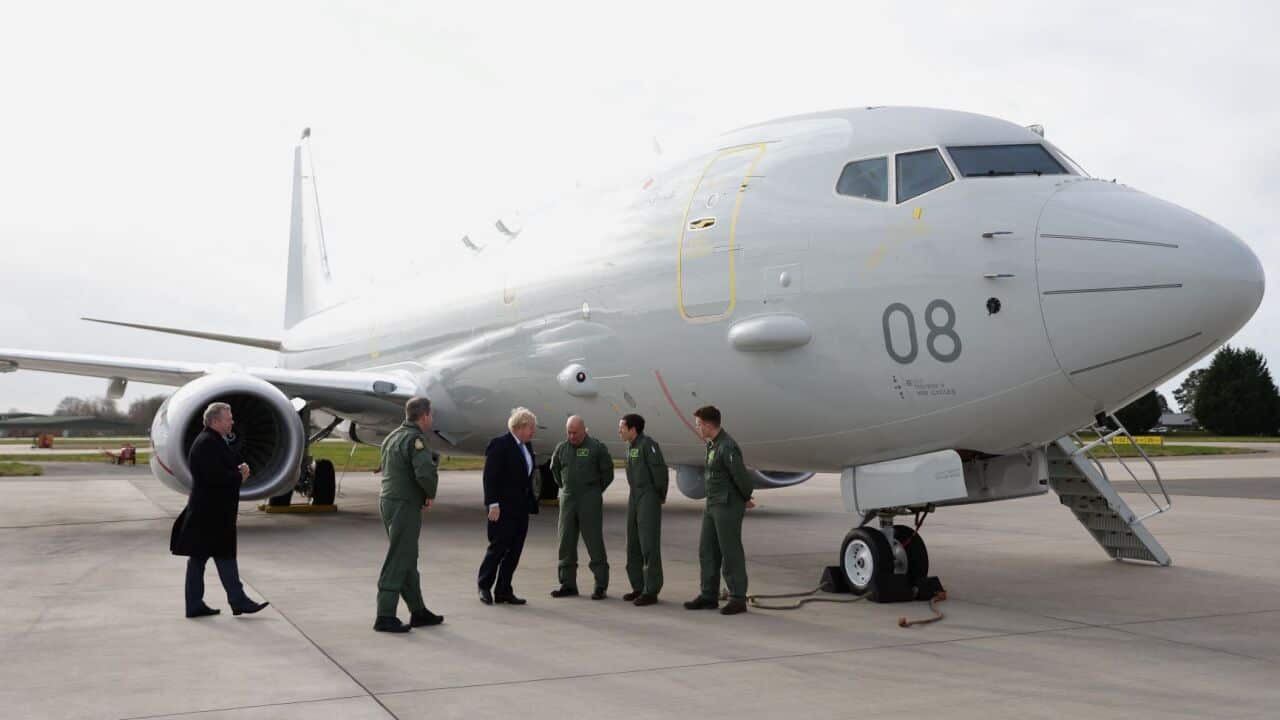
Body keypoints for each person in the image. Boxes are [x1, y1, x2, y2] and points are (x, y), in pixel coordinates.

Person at [170, 402, 269, 618]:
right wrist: (238, 476)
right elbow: (214, 478)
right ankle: (237, 600)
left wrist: (241, 467)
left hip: (208, 511)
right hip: (211, 514)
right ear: (215, 421)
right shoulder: (207, 443)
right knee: (223, 556)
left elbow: (224, 465)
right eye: (228, 418)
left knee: (199, 559)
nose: (232, 421)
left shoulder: (213, 441)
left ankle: (197, 604)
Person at [373, 396, 444, 633]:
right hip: (404, 503)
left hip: (389, 501)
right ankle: (385, 614)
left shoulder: (393, 436)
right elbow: (424, 472)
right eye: (430, 415)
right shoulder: (415, 440)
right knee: (399, 557)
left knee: (407, 557)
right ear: (424, 415)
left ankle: (418, 610)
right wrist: (429, 494)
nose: (431, 418)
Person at [683, 405, 755, 616]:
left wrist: (745, 497)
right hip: (712, 504)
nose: (697, 429)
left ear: (707, 424)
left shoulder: (727, 446)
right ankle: (708, 595)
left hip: (727, 505)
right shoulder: (713, 445)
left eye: (698, 425)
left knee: (730, 551)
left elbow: (741, 477)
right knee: (707, 551)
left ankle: (738, 598)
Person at [477, 407, 539, 606]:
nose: (533, 432)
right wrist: (492, 504)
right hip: (502, 508)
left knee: (515, 551)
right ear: (519, 427)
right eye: (531, 428)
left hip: (520, 508)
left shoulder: (526, 447)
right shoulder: (500, 445)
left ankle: (504, 590)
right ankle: (484, 586)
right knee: (498, 548)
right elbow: (490, 478)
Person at [549, 415, 614, 599]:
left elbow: (607, 472)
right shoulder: (562, 448)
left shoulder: (596, 448)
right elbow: (555, 470)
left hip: (589, 498)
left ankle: (600, 585)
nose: (572, 436)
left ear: (584, 430)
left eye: (575, 432)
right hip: (568, 498)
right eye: (569, 432)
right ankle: (567, 584)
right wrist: (565, 487)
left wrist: (594, 490)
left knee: (594, 541)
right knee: (565, 542)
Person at [618, 414, 667, 606]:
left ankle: (651, 589)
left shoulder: (648, 445)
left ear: (633, 429)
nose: (619, 430)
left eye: (622, 427)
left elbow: (660, 474)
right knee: (633, 543)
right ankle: (638, 586)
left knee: (648, 544)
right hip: (634, 497)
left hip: (648, 496)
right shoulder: (631, 448)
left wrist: (658, 497)